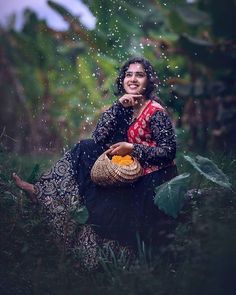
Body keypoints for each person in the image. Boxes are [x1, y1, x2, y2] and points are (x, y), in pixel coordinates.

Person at [13, 57, 177, 271]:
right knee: (87, 148)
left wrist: (133, 149)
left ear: (148, 82)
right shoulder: (126, 107)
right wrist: (118, 107)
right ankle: (44, 191)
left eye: (140, 74)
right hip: (129, 173)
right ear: (123, 80)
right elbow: (99, 137)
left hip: (154, 180)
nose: (133, 79)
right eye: (129, 74)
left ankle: (107, 259)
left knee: (108, 209)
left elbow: (168, 151)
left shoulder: (155, 112)